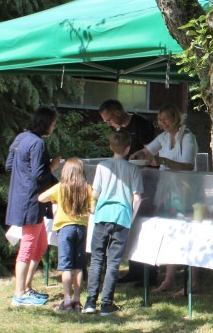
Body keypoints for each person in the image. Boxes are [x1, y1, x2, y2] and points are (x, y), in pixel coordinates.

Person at [130, 104, 198, 293]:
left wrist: (163, 161)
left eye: (165, 119)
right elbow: (148, 152)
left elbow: (187, 165)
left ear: (175, 118)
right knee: (170, 232)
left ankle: (191, 281)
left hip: (184, 191)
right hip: (167, 190)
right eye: (160, 120)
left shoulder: (188, 137)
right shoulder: (163, 137)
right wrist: (137, 155)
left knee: (186, 234)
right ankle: (169, 279)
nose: (162, 123)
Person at [6, 106, 61, 307]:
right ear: (45, 123)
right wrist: (53, 167)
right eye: (53, 124)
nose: (54, 128)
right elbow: (40, 174)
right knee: (28, 246)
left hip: (20, 197)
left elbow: (9, 166)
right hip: (31, 200)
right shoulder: (37, 143)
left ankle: (27, 288)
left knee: (41, 244)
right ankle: (19, 294)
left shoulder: (20, 138)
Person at [83, 131, 144, 315]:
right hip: (122, 217)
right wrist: (131, 219)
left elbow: (95, 194)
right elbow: (137, 198)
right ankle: (107, 303)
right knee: (113, 261)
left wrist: (92, 207)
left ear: (111, 147)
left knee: (96, 259)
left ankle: (90, 302)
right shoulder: (134, 169)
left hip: (102, 216)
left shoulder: (102, 166)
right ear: (128, 148)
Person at [38, 158, 93, 312]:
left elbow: (41, 198)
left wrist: (55, 201)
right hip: (81, 229)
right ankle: (77, 300)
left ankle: (67, 300)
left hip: (64, 229)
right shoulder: (87, 188)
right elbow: (93, 208)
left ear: (65, 172)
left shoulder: (61, 187)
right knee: (79, 266)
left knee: (66, 267)